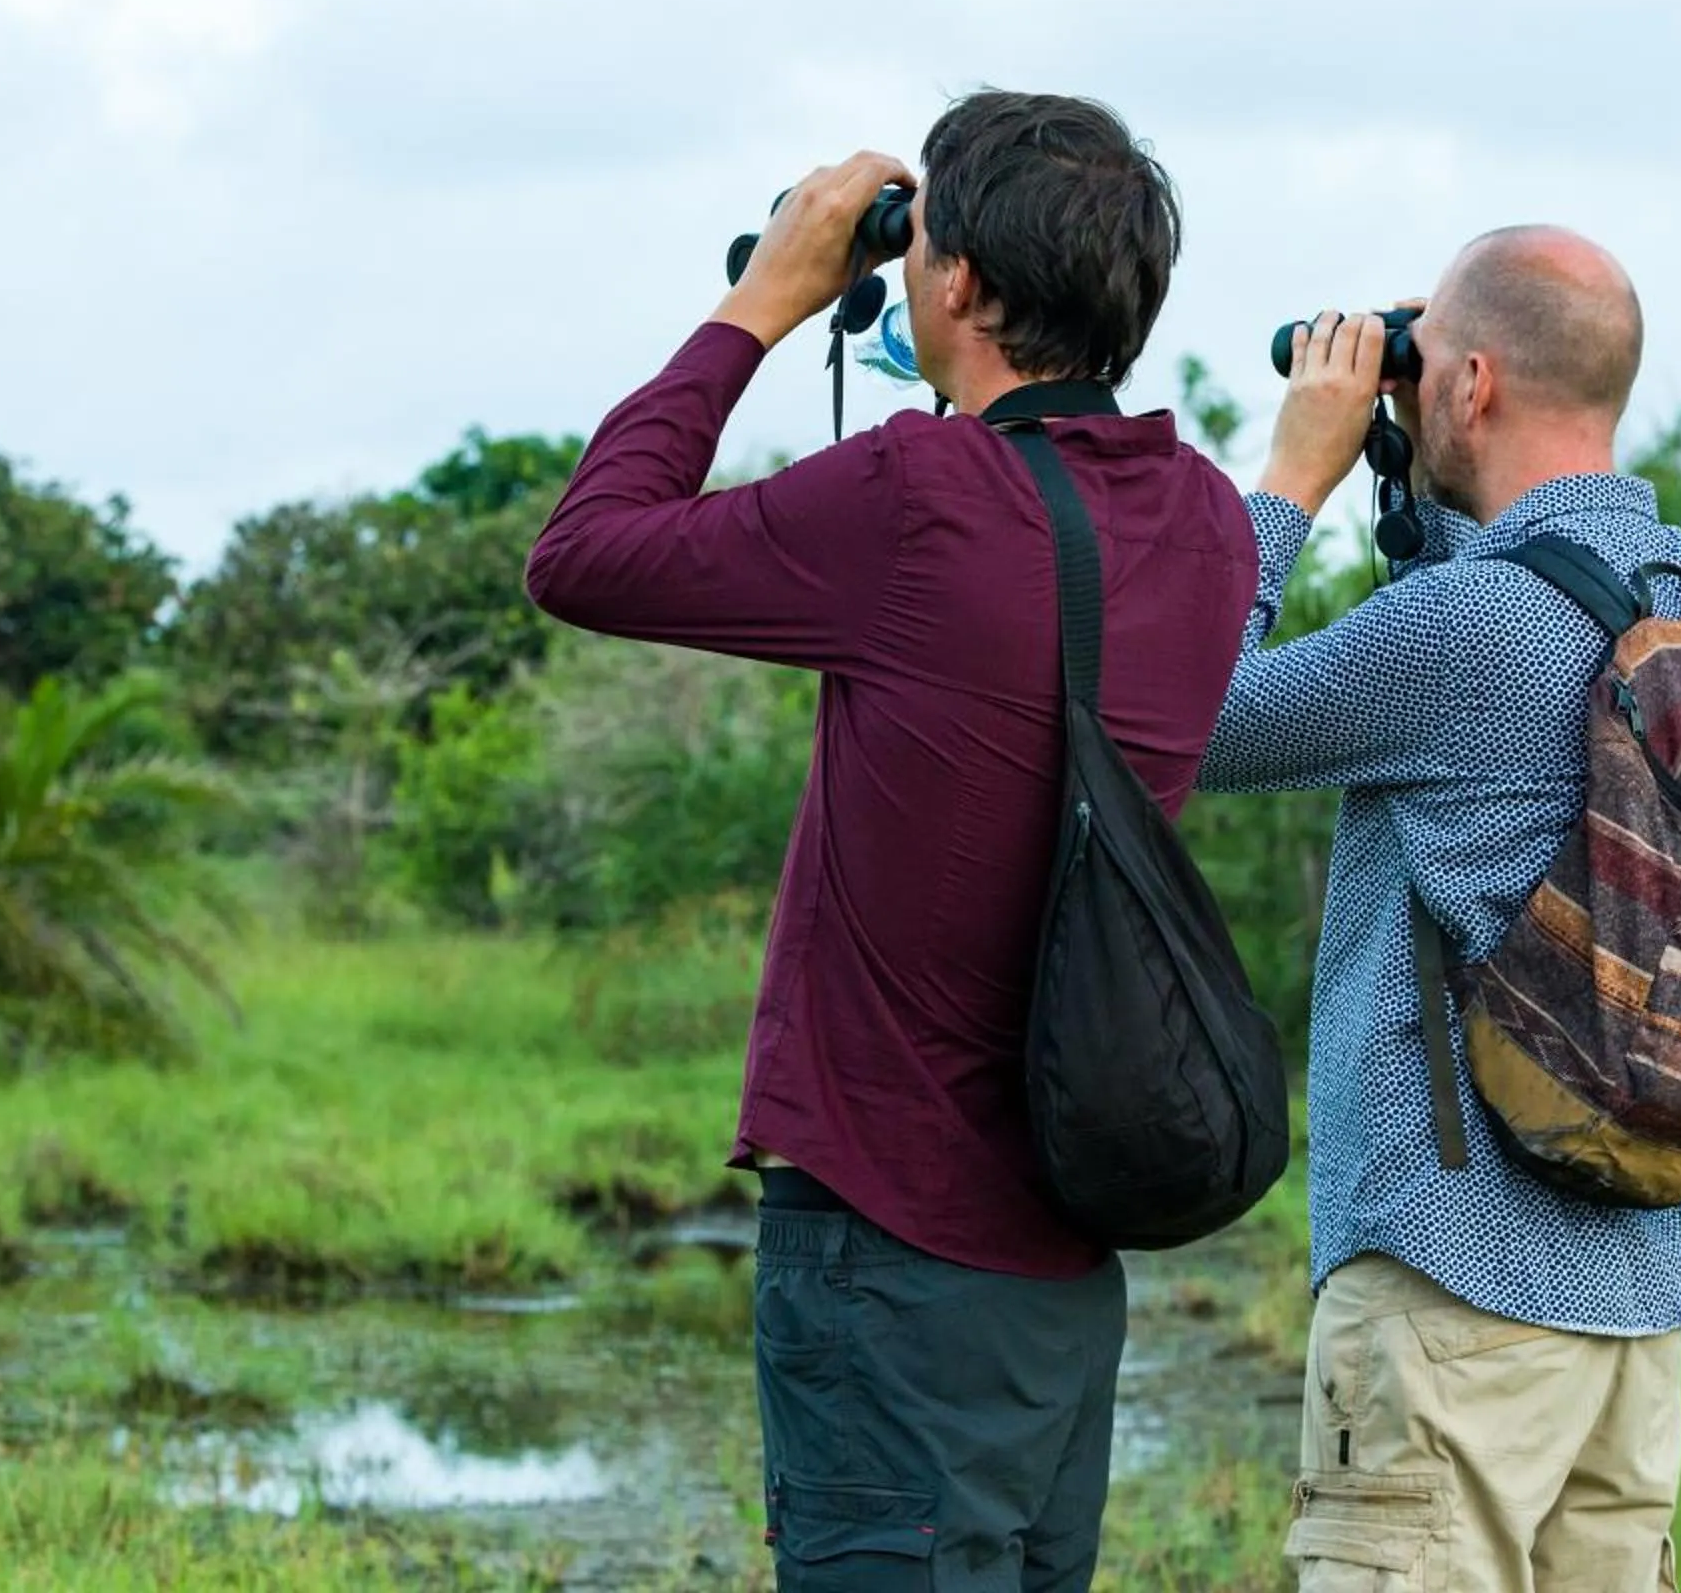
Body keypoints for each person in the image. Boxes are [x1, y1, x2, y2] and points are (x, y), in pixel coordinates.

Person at [524, 91, 1257, 1591]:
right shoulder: (1205, 522)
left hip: (891, 1251)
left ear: (964, 284)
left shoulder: (918, 496)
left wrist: (764, 302)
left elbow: (582, 554)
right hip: (1068, 1258)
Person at [1200, 227, 1681, 1593]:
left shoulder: (1459, 632)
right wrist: (1427, 455)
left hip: (1454, 1293)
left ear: (1469, 384)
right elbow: (1504, 638)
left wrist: (1293, 479)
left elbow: (1183, 720)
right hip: (1637, 1297)